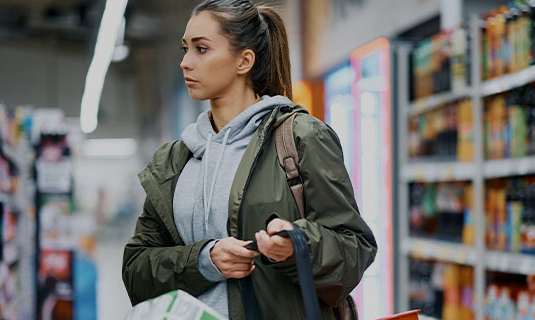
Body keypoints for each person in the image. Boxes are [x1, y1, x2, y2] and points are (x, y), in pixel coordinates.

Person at [121, 0, 377, 319]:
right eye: (185, 49)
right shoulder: (173, 161)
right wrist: (205, 259)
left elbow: (353, 249)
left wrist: (296, 247)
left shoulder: (300, 137)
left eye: (201, 49)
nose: (185, 62)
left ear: (244, 61)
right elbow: (136, 270)